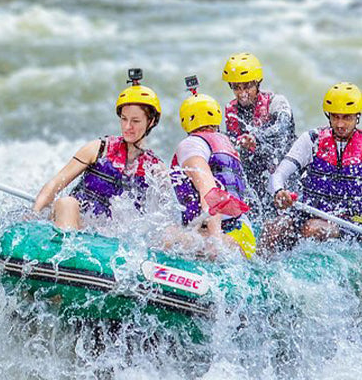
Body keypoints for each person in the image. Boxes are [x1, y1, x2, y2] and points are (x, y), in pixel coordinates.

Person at [265, 82, 362, 250]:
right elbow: (279, 175)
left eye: (347, 118)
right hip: (309, 211)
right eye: (335, 117)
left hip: (350, 223)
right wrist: (279, 192)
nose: (340, 124)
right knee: (272, 229)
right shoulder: (312, 140)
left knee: (312, 228)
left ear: (357, 117)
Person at [32, 69, 162, 230]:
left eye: (135, 121)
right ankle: (66, 242)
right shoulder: (98, 149)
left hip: (108, 236)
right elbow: (55, 184)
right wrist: (34, 214)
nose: (127, 126)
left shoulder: (156, 170)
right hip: (73, 220)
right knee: (67, 203)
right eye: (124, 119)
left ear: (151, 122)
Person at [168, 79, 257, 259]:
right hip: (244, 237)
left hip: (223, 238)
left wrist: (215, 242)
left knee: (164, 237)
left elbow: (209, 191)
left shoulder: (191, 145)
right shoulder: (226, 144)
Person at [220, 52, 295, 213]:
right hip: (255, 178)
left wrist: (256, 137)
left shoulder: (277, 102)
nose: (242, 93)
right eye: (236, 87)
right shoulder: (231, 110)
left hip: (283, 172)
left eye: (247, 86)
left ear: (257, 82)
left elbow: (282, 128)